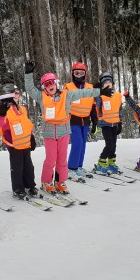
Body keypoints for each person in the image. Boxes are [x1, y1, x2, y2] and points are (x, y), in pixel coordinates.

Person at [23, 60, 105, 193]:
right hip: (49, 133)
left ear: (56, 84)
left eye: (52, 83)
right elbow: (30, 89)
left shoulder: (66, 95)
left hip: (64, 132)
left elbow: (84, 93)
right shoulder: (41, 96)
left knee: (62, 160)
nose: (50, 86)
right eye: (46, 84)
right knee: (50, 160)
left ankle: (60, 182)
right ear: (44, 87)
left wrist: (99, 91)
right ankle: (46, 182)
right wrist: (28, 74)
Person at [0, 83, 38, 198]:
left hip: (25, 143)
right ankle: (18, 189)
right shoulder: (3, 110)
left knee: (28, 166)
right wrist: (2, 113)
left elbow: (27, 124)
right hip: (13, 144)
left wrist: (31, 137)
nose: (17, 97)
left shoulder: (22, 109)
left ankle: (30, 185)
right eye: (15, 95)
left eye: (18, 94)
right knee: (17, 167)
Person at [65, 62, 98, 178]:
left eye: (81, 73)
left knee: (83, 144)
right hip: (73, 120)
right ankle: (71, 168)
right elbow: (63, 105)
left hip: (86, 120)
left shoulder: (90, 87)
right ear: (73, 74)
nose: (78, 75)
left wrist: (95, 121)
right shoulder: (68, 87)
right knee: (77, 143)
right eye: (76, 73)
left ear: (85, 74)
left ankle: (78, 166)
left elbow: (93, 105)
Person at [93, 72, 123, 175]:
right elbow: (95, 98)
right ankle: (101, 163)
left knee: (114, 145)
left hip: (115, 123)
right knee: (109, 145)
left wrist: (120, 123)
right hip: (105, 123)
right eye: (105, 82)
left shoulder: (118, 95)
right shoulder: (100, 96)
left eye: (109, 82)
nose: (108, 84)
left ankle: (111, 162)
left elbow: (120, 109)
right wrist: (98, 89)